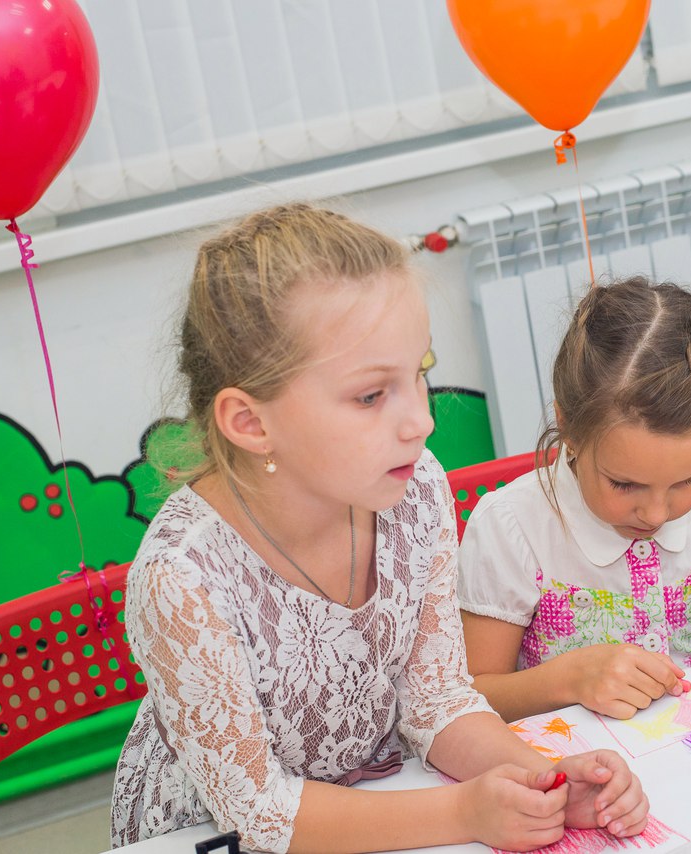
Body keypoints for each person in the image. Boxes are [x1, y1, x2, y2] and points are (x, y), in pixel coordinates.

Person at [109, 204, 648, 853]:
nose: (420, 421)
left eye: (418, 375)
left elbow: (437, 702)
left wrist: (545, 783)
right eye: (371, 396)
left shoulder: (415, 487)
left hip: (377, 799)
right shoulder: (182, 580)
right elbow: (260, 812)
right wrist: (463, 814)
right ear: (250, 423)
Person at [458, 277, 691, 724]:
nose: (657, 514)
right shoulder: (510, 529)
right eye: (624, 485)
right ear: (568, 427)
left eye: (688, 480)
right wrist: (566, 681)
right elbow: (468, 699)